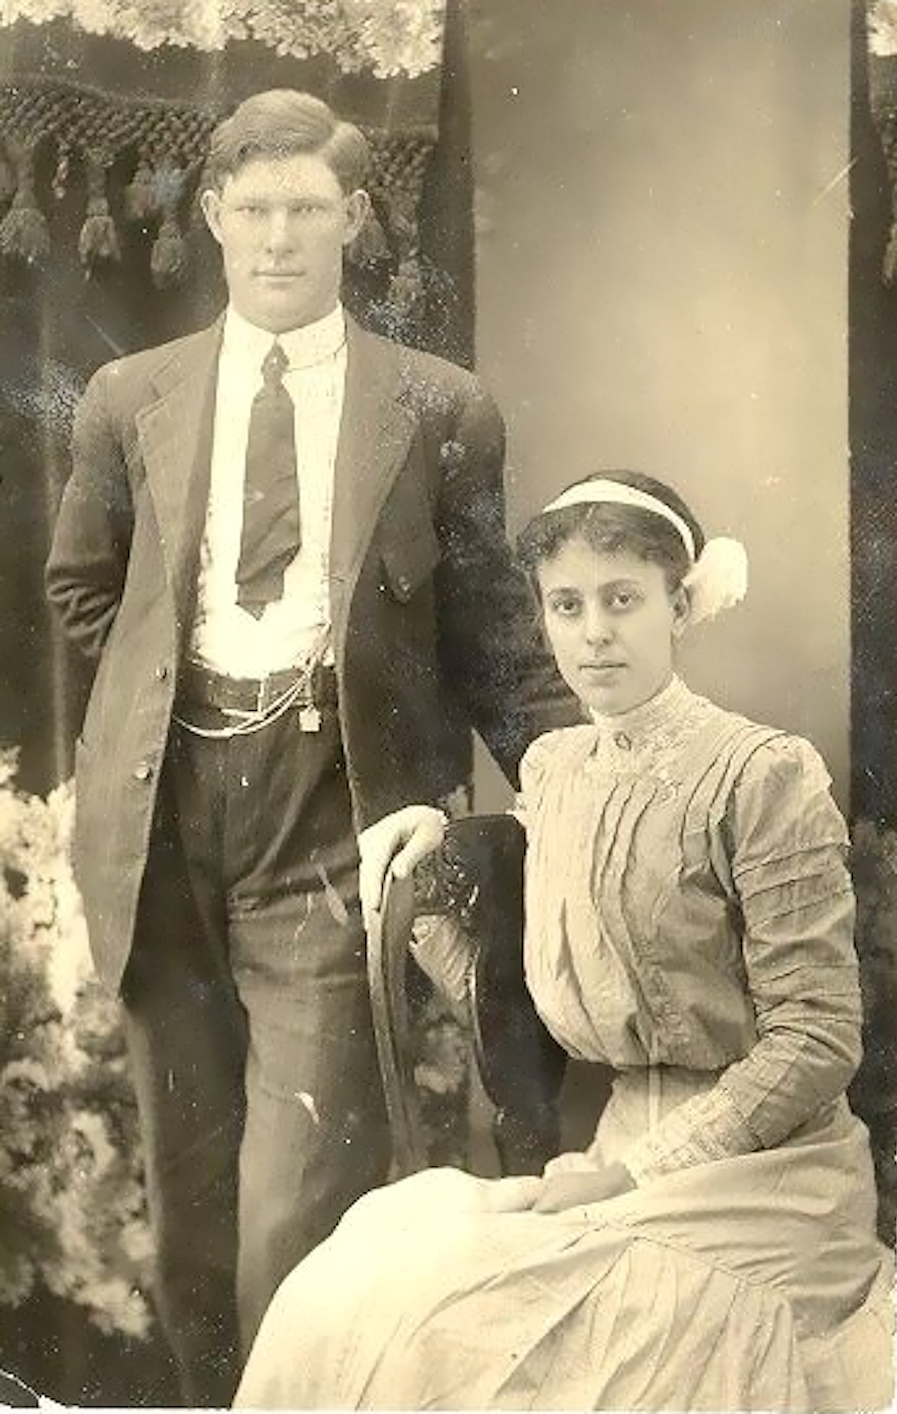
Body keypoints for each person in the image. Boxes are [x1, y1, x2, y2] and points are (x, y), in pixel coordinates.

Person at [44, 90, 576, 1406]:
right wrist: (157, 709)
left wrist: (581, 772)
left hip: (330, 826)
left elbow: (491, 631)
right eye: (257, 207)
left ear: (356, 219)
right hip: (169, 825)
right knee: (188, 1216)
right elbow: (81, 593)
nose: (281, 235)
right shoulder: (128, 397)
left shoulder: (439, 408)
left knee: (295, 1213)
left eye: (309, 208)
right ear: (215, 216)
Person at [235, 471, 896, 1412]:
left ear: (680, 603)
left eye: (622, 600)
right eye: (567, 605)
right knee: (356, 1294)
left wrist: (632, 1174)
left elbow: (819, 1040)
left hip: (768, 1178)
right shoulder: (553, 769)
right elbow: (569, 921)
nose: (594, 634)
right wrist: (438, 835)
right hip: (614, 1151)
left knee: (628, 1359)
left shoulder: (763, 775)